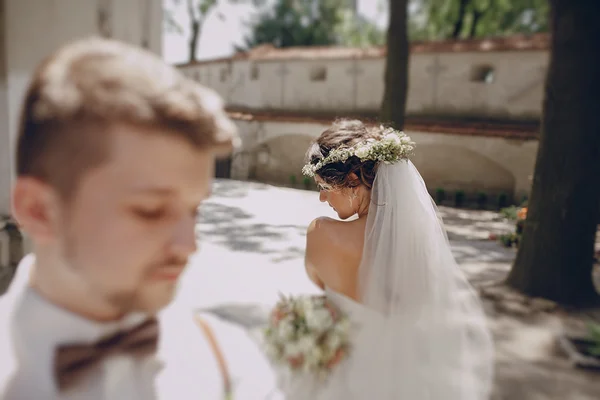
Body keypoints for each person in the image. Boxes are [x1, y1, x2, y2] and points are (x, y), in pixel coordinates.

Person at [0, 37, 279, 399]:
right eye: (150, 211)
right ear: (39, 210)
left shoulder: (224, 355)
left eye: (194, 210)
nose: (189, 246)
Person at [278, 119, 495, 399]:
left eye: (324, 187)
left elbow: (319, 282)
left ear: (353, 182)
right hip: (406, 375)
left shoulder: (321, 233)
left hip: (344, 368)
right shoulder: (418, 243)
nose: (322, 199)